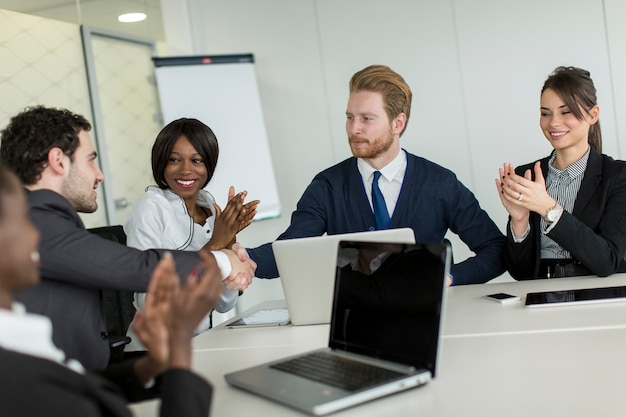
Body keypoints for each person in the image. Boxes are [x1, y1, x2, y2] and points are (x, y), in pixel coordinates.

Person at [0, 106, 256, 370]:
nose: (99, 174)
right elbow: (139, 267)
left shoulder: (34, 221)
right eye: (90, 160)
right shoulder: (36, 225)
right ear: (59, 161)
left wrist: (226, 246)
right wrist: (220, 257)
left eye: (197, 160)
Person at [246, 64, 505, 285]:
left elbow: (496, 250)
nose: (354, 128)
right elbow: (290, 252)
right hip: (354, 325)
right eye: (350, 117)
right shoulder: (327, 186)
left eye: (366, 119)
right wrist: (241, 259)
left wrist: (447, 276)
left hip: (425, 321)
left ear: (398, 123)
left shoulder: (440, 183)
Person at [0, 165, 221, 417]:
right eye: (22, 221)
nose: (35, 234)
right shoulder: (16, 380)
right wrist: (179, 350)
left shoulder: (22, 343)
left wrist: (149, 367)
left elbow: (77, 387)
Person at [125, 118, 259, 345]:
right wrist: (216, 246)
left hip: (200, 341)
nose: (186, 170)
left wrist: (230, 245)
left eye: (197, 160)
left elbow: (224, 304)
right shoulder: (150, 209)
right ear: (161, 163)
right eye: (174, 160)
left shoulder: (212, 212)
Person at [496, 66, 626, 279]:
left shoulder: (618, 176)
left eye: (566, 112)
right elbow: (521, 274)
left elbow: (607, 261)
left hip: (596, 297)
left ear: (593, 114)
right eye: (545, 113)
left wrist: (548, 208)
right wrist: (519, 221)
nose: (554, 122)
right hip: (542, 297)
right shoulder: (527, 175)